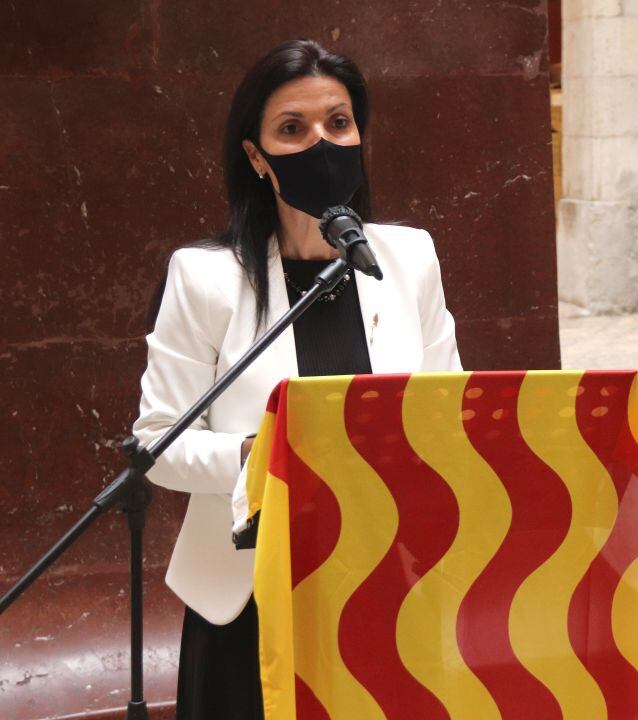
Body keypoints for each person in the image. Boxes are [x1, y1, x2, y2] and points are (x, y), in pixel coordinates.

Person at [132, 39, 461, 720]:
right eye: (292, 129)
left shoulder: (410, 258)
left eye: (338, 124)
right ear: (255, 157)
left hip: (388, 586)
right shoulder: (206, 277)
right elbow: (158, 444)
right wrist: (262, 455)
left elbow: (446, 412)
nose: (321, 144)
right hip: (250, 596)